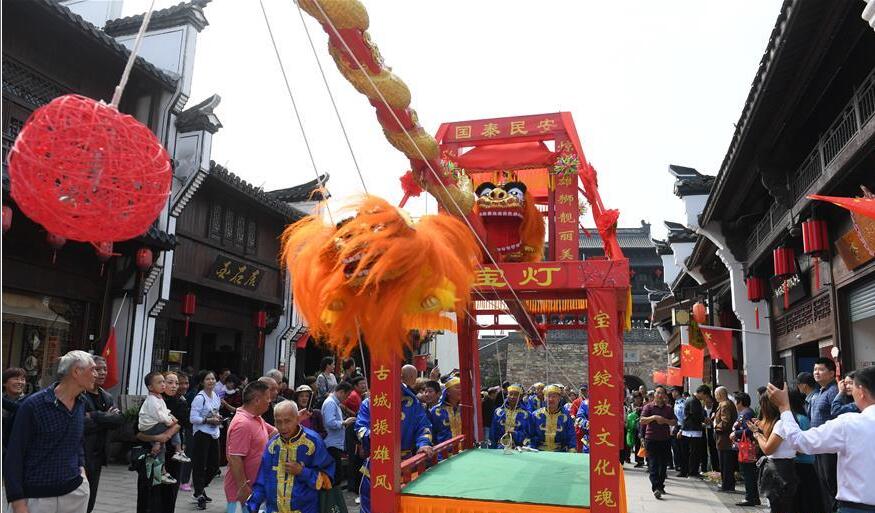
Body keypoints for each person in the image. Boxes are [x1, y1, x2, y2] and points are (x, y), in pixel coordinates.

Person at [767, 365, 875, 513]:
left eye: (853, 386)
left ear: (861, 391)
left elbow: (799, 441)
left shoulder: (849, 423)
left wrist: (784, 407)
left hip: (856, 508)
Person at [5, 350, 95, 513]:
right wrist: (17, 501)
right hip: (37, 498)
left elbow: (77, 441)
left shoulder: (81, 402)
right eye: (92, 369)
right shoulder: (34, 405)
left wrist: (81, 470)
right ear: (76, 371)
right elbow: (14, 454)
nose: (96, 374)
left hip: (74, 492)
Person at [357, 370, 433, 513]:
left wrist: (423, 444)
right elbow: (360, 427)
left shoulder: (413, 404)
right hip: (377, 461)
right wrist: (373, 435)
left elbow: (424, 428)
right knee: (372, 506)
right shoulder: (369, 402)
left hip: (406, 465)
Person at [245, 401, 335, 513]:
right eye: (278, 422)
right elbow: (262, 481)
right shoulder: (272, 445)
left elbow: (327, 482)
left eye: (287, 421)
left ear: (297, 419)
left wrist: (302, 472)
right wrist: (252, 507)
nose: (283, 427)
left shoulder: (314, 441)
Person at [224, 381, 276, 513]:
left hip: (255, 490)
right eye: (267, 398)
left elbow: (275, 433)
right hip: (241, 494)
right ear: (257, 400)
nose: (270, 401)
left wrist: (295, 419)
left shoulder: (256, 418)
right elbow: (235, 458)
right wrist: (243, 488)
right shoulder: (242, 423)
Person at [82, 356, 124, 512]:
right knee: (79, 496)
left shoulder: (107, 396)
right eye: (97, 369)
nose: (102, 373)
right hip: (82, 453)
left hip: (99, 454)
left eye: (104, 369)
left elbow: (118, 420)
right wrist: (105, 418)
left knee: (91, 496)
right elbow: (81, 424)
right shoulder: (80, 394)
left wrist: (94, 415)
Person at [747, 392, 797, 513]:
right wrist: (759, 430)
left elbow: (768, 448)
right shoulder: (780, 422)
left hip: (780, 470)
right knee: (778, 506)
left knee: (779, 506)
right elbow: (769, 443)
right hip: (781, 468)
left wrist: (756, 434)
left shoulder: (780, 424)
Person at [138, 372, 189, 485]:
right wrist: (158, 439)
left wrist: (164, 437)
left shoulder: (181, 403)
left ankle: (177, 454)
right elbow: (138, 432)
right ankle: (163, 471)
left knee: (170, 490)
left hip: (171, 453)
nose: (174, 386)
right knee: (151, 487)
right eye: (169, 382)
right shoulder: (151, 401)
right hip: (151, 450)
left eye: (177, 383)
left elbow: (180, 424)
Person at [189, 370, 223, 510]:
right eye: (208, 379)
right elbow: (193, 418)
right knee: (199, 464)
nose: (211, 381)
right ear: (202, 382)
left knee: (214, 466)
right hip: (201, 434)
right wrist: (208, 420)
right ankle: (199, 494)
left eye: (213, 378)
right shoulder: (199, 398)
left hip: (214, 433)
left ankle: (200, 488)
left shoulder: (216, 396)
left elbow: (216, 411)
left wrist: (218, 418)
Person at [811, 357, 840, 513]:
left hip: (830, 445)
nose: (816, 372)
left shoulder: (833, 391)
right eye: (815, 369)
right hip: (819, 445)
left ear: (831, 373)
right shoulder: (821, 391)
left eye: (821, 369)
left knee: (831, 482)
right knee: (823, 483)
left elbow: (838, 415)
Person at [788, 389, 824, 513]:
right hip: (804, 466)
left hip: (802, 466)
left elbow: (804, 447)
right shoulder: (801, 418)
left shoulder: (799, 419)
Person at [639, 385, 677, 499]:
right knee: (653, 464)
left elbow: (674, 422)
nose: (660, 395)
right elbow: (642, 420)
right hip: (651, 439)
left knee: (663, 465)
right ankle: (656, 487)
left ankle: (660, 485)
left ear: (665, 395)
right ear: (654, 394)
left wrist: (664, 420)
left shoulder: (668, 408)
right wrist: (654, 417)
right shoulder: (648, 407)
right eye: (658, 393)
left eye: (662, 393)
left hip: (665, 439)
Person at [321, 381, 355, 485]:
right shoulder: (330, 403)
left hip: (334, 443)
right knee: (336, 475)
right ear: (341, 392)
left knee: (336, 474)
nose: (347, 398)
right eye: (347, 395)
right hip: (331, 444)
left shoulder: (334, 403)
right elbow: (330, 422)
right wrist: (344, 422)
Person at [730, 391, 760, 507]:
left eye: (736, 401)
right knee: (748, 473)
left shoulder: (747, 413)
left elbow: (749, 430)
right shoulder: (745, 412)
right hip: (744, 447)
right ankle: (754, 497)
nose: (735, 404)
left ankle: (750, 497)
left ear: (740, 402)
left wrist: (736, 433)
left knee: (748, 474)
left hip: (746, 448)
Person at [530, 384, 576, 452]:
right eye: (548, 396)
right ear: (544, 398)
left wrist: (572, 448)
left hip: (560, 452)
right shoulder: (535, 415)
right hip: (539, 452)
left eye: (554, 396)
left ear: (559, 399)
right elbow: (530, 435)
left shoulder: (566, 416)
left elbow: (571, 435)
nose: (551, 399)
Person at [677, 384, 707, 478]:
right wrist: (704, 419)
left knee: (686, 453)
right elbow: (695, 415)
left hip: (688, 429)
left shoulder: (689, 399)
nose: (705, 398)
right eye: (705, 396)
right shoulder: (694, 401)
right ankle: (692, 472)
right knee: (694, 453)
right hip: (693, 430)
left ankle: (684, 471)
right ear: (701, 393)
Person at [490, 384, 531, 448]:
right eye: (510, 394)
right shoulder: (498, 412)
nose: (512, 397)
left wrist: (515, 433)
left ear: (520, 397)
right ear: (507, 396)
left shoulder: (526, 414)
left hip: (518, 448)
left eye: (516, 395)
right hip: (500, 448)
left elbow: (527, 434)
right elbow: (493, 433)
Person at [713, 386, 738, 492]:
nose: (715, 396)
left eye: (716, 394)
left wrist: (715, 426)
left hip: (725, 439)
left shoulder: (725, 405)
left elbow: (725, 422)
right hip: (724, 440)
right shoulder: (725, 404)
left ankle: (727, 485)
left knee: (725, 464)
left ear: (720, 394)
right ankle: (727, 484)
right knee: (725, 463)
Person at [172, 372, 194, 493]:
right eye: (181, 383)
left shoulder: (182, 399)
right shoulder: (168, 400)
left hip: (179, 439)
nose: (184, 386)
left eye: (186, 383)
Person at [430, 376, 462, 444]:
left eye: (462, 388)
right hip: (444, 449)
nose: (461, 390)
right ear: (447, 391)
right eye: (457, 387)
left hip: (464, 449)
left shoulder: (465, 409)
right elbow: (431, 434)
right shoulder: (435, 411)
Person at [3, 367, 27, 451]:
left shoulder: (29, 401)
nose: (20, 382)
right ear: (4, 383)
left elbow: (20, 409)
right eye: (16, 379)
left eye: (22, 379)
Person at [701, 385, 719, 474]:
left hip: (712, 431)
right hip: (704, 432)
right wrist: (703, 424)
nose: (708, 404)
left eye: (710, 402)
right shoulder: (702, 410)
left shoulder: (715, 410)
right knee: (703, 450)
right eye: (707, 402)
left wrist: (712, 423)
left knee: (713, 449)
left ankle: (715, 468)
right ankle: (704, 469)